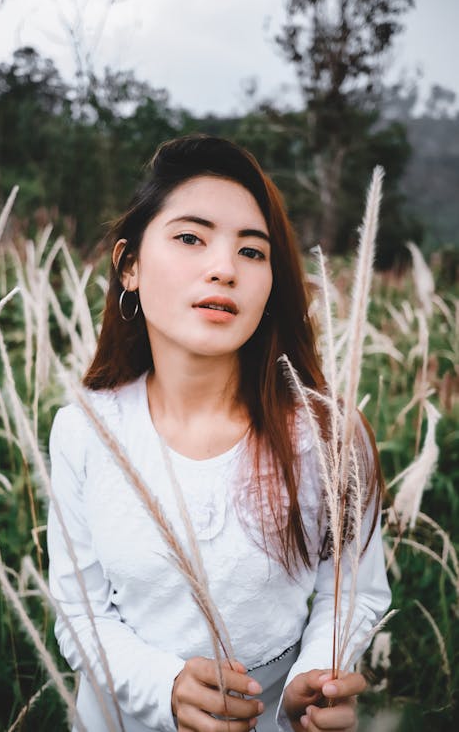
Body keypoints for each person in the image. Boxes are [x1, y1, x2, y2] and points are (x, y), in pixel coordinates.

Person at [47, 135, 391, 732]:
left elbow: (354, 590)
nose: (224, 268)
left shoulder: (326, 434)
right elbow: (79, 612)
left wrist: (314, 678)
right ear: (129, 265)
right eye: (190, 238)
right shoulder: (86, 427)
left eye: (253, 252)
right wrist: (165, 688)